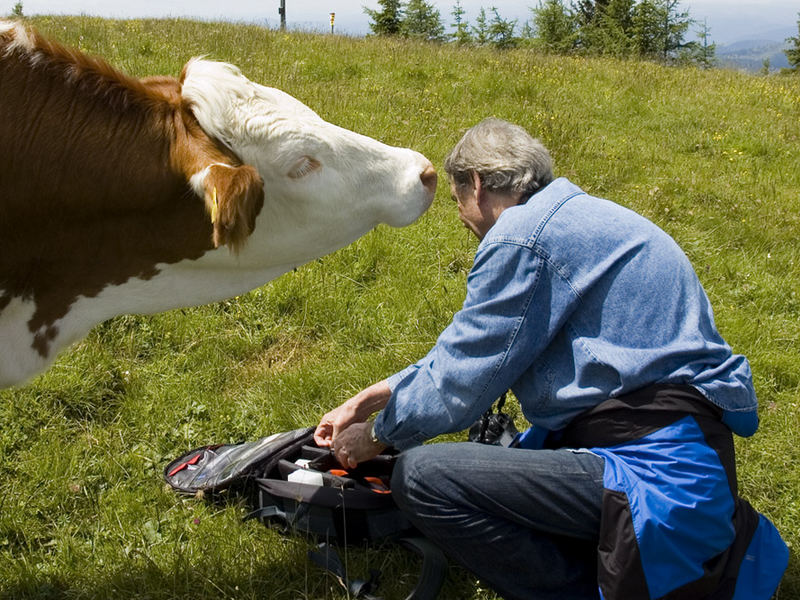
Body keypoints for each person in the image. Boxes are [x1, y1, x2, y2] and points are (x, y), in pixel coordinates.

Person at [314, 118, 787, 600]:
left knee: (423, 478)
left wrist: (376, 435)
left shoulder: (522, 235)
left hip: (650, 473)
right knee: (495, 461)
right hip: (691, 460)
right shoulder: (587, 217)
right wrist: (373, 397)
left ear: (476, 185)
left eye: (457, 202)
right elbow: (471, 349)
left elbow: (462, 382)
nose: (462, 219)